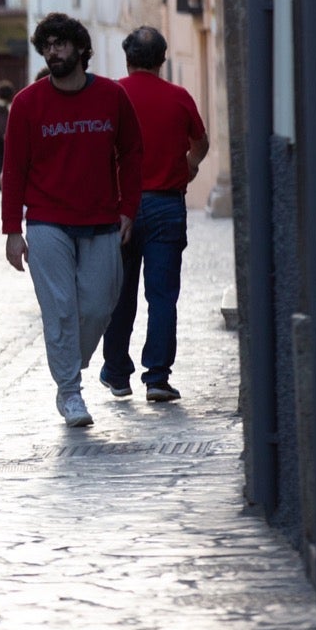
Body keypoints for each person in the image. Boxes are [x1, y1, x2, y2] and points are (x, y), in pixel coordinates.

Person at [1, 13, 143, 428]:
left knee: (100, 305)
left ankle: (68, 358)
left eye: (61, 44)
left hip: (101, 219)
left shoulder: (112, 97)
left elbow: (132, 152)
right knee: (60, 308)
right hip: (46, 222)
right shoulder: (27, 103)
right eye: (47, 45)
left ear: (81, 49)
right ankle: (70, 391)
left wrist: (127, 208)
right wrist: (13, 230)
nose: (53, 51)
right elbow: (14, 168)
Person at [99, 27, 209, 403]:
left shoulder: (112, 95)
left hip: (120, 207)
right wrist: (189, 168)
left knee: (119, 294)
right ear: (163, 61)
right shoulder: (178, 97)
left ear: (127, 58)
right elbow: (201, 143)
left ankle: (116, 373)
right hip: (166, 203)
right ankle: (158, 377)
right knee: (162, 296)